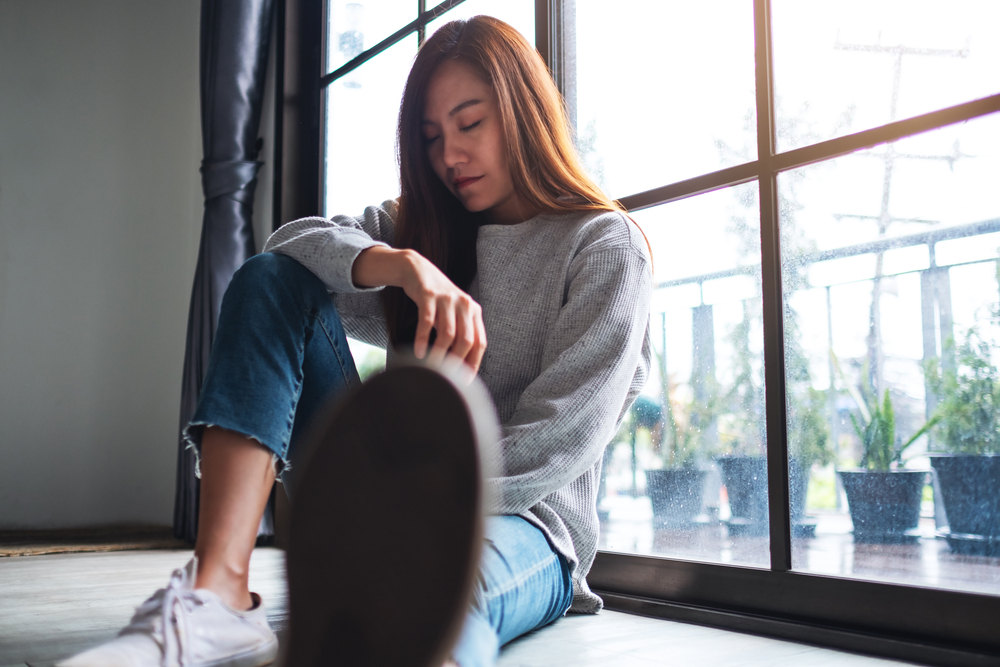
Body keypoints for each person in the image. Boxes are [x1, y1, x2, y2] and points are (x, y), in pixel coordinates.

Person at [59, 15, 651, 667]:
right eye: (431, 137)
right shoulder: (422, 229)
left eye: (470, 123)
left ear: (523, 110)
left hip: (527, 524)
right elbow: (287, 245)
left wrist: (404, 514)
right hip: (382, 507)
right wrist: (400, 264)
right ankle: (218, 593)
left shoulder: (604, 246)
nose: (449, 156)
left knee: (430, 597)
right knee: (271, 280)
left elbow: (558, 439)